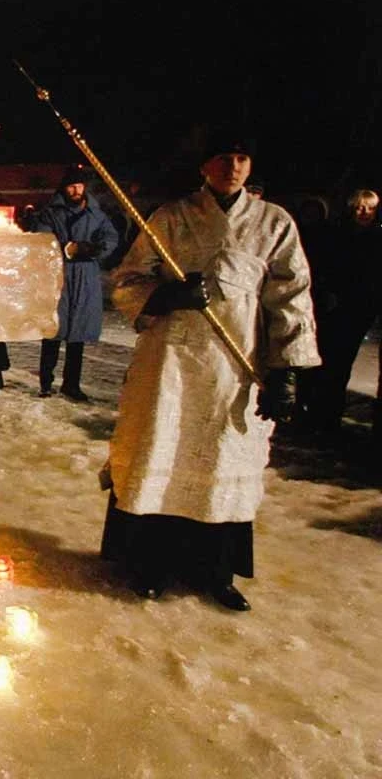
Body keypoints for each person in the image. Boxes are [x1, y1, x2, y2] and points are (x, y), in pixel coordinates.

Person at [99, 129, 320, 611]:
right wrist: (165, 295)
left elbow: (291, 298)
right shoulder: (172, 217)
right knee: (165, 451)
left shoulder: (273, 223)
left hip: (234, 366)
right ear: (204, 166)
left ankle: (215, 571)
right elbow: (127, 280)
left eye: (241, 158)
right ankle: (151, 563)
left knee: (222, 460)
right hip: (171, 366)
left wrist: (286, 369)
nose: (232, 166)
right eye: (222, 157)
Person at [31, 165, 120, 401]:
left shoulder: (96, 214)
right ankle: (46, 382)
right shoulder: (51, 213)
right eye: (71, 186)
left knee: (77, 334)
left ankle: (72, 384)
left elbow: (111, 238)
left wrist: (93, 249)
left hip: (85, 276)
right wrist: (65, 248)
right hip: (59, 274)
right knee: (53, 330)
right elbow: (42, 239)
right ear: (64, 188)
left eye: (79, 186)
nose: (76, 190)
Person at [298, 189, 382, 437]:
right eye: (360, 207)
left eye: (370, 208)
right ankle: (316, 414)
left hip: (361, 307)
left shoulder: (376, 238)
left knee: (342, 363)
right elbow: (327, 265)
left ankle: (329, 417)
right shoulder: (338, 234)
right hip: (334, 304)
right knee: (325, 360)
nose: (364, 212)